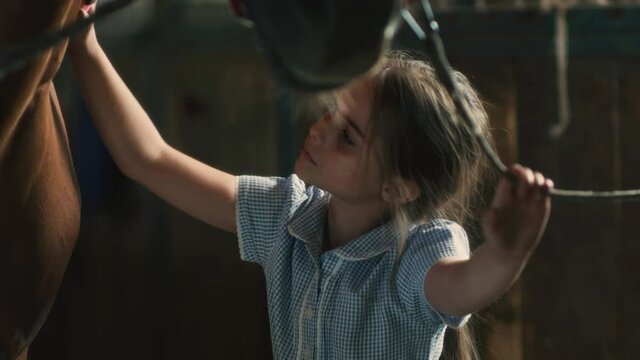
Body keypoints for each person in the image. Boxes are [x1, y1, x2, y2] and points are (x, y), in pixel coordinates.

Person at [68, 3, 553, 359]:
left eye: (348, 137)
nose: (319, 130)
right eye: (330, 113)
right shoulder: (287, 216)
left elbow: (464, 286)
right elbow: (148, 159)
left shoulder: (418, 250)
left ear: (400, 188)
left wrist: (509, 250)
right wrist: (83, 41)